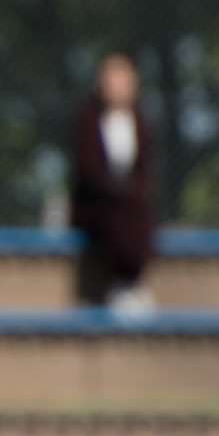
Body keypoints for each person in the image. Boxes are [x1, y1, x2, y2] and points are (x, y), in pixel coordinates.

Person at [70, 50, 157, 314]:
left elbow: (145, 169)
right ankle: (121, 284)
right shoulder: (87, 121)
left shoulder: (141, 123)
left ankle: (132, 282)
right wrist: (115, 189)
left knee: (135, 212)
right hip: (98, 205)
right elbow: (87, 170)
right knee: (115, 213)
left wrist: (132, 190)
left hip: (131, 205)